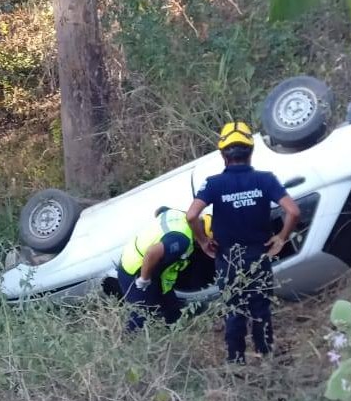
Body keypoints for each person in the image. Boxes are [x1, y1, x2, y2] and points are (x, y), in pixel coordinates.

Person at [186, 121, 300, 364]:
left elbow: (191, 215)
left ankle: (235, 361)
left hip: (228, 258)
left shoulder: (213, 183)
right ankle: (265, 355)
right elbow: (293, 211)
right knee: (261, 309)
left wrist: (203, 240)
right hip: (258, 255)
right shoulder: (266, 180)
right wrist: (281, 238)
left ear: (222, 154)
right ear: (251, 152)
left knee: (234, 310)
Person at [118, 207, 212, 332]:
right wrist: (144, 279)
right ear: (202, 233)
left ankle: (174, 334)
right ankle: (126, 343)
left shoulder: (182, 215)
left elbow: (160, 210)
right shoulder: (181, 240)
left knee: (171, 306)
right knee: (141, 313)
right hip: (135, 269)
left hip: (152, 269)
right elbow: (152, 253)